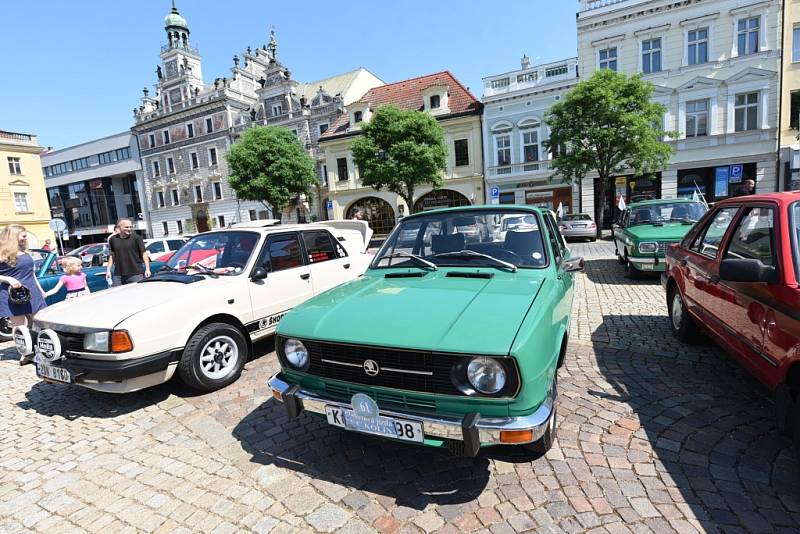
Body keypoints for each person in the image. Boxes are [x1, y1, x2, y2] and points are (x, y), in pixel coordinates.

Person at [0, 224, 47, 365]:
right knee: (19, 325)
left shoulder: (24, 251)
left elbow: (32, 273)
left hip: (32, 290)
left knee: (41, 321)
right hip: (11, 293)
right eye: (23, 235)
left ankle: (43, 349)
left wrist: (40, 289)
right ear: (14, 236)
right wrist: (8, 279)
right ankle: (25, 352)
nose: (26, 238)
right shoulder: (2, 253)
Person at [106, 218, 150, 285]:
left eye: (131, 227)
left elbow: (144, 254)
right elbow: (112, 256)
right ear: (119, 227)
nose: (129, 229)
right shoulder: (113, 239)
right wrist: (108, 270)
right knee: (118, 294)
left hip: (135, 273)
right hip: (118, 275)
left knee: (137, 293)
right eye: (126, 227)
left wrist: (147, 269)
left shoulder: (137, 238)